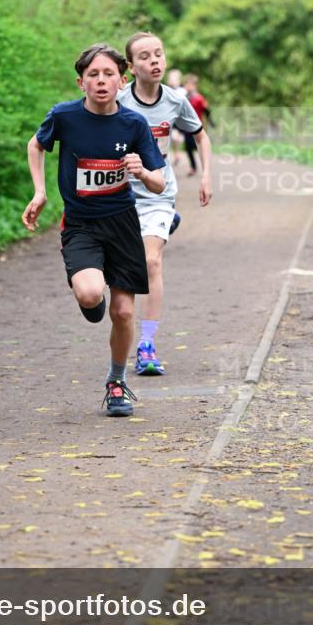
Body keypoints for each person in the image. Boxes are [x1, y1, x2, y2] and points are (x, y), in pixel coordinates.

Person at [22, 43, 165, 416]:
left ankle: (116, 383)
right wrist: (40, 192)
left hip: (122, 223)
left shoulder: (134, 124)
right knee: (89, 295)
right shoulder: (64, 117)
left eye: (108, 75)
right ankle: (88, 289)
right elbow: (35, 147)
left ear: (123, 80)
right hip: (81, 223)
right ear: (81, 82)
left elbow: (159, 185)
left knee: (122, 313)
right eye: (93, 75)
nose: (101, 81)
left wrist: (142, 171)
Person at [119, 32, 212, 376]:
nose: (154, 61)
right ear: (130, 67)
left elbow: (200, 135)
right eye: (144, 56)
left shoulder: (175, 100)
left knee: (150, 262)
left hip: (158, 191)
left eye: (158, 54)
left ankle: (147, 345)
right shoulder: (116, 100)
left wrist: (205, 176)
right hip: (119, 194)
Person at [183, 73, 212, 176]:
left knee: (200, 147)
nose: (189, 87)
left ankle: (205, 168)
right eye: (187, 84)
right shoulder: (183, 98)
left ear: (195, 86)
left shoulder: (199, 98)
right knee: (188, 148)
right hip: (187, 129)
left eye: (191, 85)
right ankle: (193, 167)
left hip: (197, 128)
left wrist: (211, 122)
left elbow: (207, 110)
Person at [164, 68, 186, 169]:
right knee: (171, 138)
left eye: (175, 78)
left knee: (177, 138)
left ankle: (177, 154)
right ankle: (175, 155)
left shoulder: (182, 91)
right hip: (170, 118)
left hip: (180, 118)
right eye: (171, 78)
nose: (173, 80)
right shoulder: (165, 90)